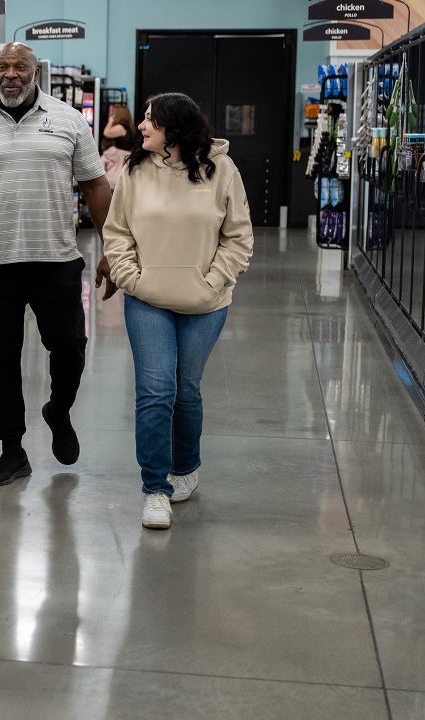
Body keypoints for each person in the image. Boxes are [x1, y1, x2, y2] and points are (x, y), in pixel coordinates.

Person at [0, 42, 112, 487]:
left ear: (36, 73)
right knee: (1, 359)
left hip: (56, 259)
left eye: (20, 67)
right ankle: (12, 449)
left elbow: (96, 187)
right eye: (2, 67)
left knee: (70, 347)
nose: (10, 74)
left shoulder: (68, 119)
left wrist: (114, 249)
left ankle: (59, 409)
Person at [96, 92, 255, 530]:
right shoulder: (134, 169)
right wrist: (133, 279)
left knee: (186, 390)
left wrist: (212, 282)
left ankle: (185, 469)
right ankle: (154, 489)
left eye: (150, 121)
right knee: (155, 391)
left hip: (206, 304)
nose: (141, 126)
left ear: (175, 130)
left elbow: (239, 237)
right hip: (147, 300)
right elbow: (117, 233)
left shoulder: (221, 170)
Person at [99, 104, 134, 201]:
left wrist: (110, 121)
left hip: (116, 168)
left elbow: (106, 132)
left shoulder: (121, 127)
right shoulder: (128, 127)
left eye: (114, 113)